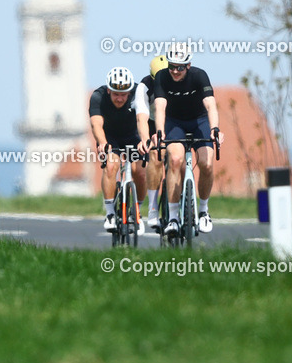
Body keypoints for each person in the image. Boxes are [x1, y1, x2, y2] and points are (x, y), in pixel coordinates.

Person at [153, 42, 223, 235]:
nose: (175, 71)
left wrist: (215, 128)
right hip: (174, 122)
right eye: (172, 66)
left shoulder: (199, 75)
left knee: (207, 164)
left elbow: (210, 105)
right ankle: (174, 217)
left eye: (180, 67)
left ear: (188, 65)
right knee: (175, 160)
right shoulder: (161, 77)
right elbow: (159, 107)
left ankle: (204, 211)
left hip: (199, 120)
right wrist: (159, 132)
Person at [89, 66, 151, 232]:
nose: (119, 98)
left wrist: (144, 140)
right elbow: (96, 124)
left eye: (123, 94)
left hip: (133, 136)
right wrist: (102, 143)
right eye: (116, 93)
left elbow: (142, 119)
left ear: (130, 91)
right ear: (109, 90)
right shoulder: (98, 96)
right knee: (111, 166)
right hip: (109, 138)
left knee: (141, 172)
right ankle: (109, 212)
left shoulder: (138, 94)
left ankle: (137, 210)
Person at [135, 55, 168, 230]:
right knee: (154, 154)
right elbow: (141, 118)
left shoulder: (177, 81)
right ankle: (153, 207)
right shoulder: (144, 87)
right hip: (150, 122)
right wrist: (146, 140)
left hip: (171, 122)